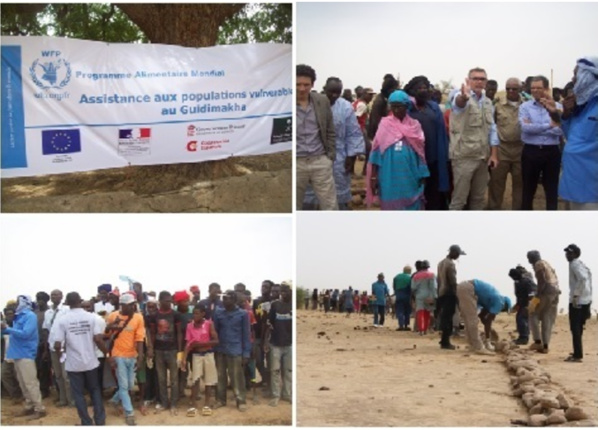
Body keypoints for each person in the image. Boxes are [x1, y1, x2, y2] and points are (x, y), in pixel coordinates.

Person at [304, 77, 365, 210]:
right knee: (312, 194)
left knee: (338, 194)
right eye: (331, 92)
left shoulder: (345, 107)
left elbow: (353, 133)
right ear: (324, 89)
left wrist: (352, 156)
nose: (334, 95)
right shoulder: (312, 104)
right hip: (315, 155)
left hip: (339, 158)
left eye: (338, 92)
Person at [366, 90, 429, 210]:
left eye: (399, 107)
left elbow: (420, 153)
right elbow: (376, 151)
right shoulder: (384, 124)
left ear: (407, 106)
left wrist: (422, 174)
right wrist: (373, 177)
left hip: (410, 173)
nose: (395, 110)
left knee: (411, 204)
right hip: (388, 173)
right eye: (393, 107)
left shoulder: (414, 126)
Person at [448, 67, 499, 210]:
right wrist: (464, 97)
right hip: (464, 157)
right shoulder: (460, 95)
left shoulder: (488, 102)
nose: (478, 81)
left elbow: (492, 129)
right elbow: (459, 104)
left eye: (482, 79)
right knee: (459, 200)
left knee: (478, 199)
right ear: (468, 80)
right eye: (475, 78)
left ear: (486, 82)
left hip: (483, 158)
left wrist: (494, 154)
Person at [54, 292, 107, 426]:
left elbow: (57, 344)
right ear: (80, 301)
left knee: (78, 394)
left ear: (67, 302)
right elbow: (98, 339)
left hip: (73, 364)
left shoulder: (63, 320)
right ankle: (100, 420)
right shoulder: (91, 318)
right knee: (95, 390)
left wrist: (61, 355)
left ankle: (86, 421)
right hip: (90, 361)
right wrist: (107, 353)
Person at [404, 76, 451, 210]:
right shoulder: (407, 109)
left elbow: (441, 133)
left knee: (432, 191)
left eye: (425, 88)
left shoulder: (434, 107)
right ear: (412, 91)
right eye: (419, 88)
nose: (423, 91)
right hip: (413, 160)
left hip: (433, 157)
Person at [296, 64, 338, 211]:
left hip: (320, 161)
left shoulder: (321, 101)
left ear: (312, 84)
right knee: (295, 206)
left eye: (306, 85)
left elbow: (330, 130)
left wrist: (330, 156)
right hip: (297, 163)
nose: (302, 88)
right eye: (298, 84)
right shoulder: (283, 103)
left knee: (330, 206)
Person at [519, 75, 563, 210]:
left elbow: (561, 131)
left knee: (551, 190)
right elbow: (525, 129)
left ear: (546, 88)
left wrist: (536, 127)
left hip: (552, 152)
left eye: (539, 87)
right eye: (533, 88)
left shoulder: (558, 107)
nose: (535, 90)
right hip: (530, 152)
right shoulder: (525, 107)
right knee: (528, 190)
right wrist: (549, 125)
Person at [559, 56, 598, 209]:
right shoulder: (582, 106)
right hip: (574, 183)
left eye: (576, 74)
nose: (573, 79)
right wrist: (567, 115)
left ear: (588, 77)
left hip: (592, 188)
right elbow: (573, 138)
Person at [1, 296, 47, 419]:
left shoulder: (30, 316)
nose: (15, 304)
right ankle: (29, 406)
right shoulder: (18, 317)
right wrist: (3, 329)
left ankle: (39, 408)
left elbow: (26, 334)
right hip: (16, 353)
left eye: (17, 302)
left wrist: (8, 329)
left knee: (30, 383)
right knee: (22, 383)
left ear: (24, 303)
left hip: (26, 353)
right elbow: (12, 333)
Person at [105, 291, 146, 424]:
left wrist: (139, 357)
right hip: (118, 355)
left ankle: (115, 400)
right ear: (121, 305)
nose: (128, 307)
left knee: (129, 385)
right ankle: (129, 413)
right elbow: (106, 334)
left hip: (132, 355)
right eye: (125, 305)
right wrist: (112, 325)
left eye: (131, 305)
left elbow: (140, 338)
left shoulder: (138, 318)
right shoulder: (113, 316)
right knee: (123, 385)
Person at [488, 78, 524, 210]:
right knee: (496, 184)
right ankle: (493, 210)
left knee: (519, 185)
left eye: (514, 89)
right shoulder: (497, 105)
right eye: (508, 88)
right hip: (501, 150)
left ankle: (517, 213)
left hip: (520, 151)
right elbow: (492, 128)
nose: (510, 91)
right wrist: (493, 153)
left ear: (520, 90)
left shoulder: (526, 105)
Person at [213, 290, 251, 412]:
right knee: (220, 376)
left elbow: (246, 334)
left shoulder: (243, 314)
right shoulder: (218, 313)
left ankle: (240, 401)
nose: (225, 301)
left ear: (234, 300)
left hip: (236, 350)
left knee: (237, 377)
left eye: (228, 299)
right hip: (221, 349)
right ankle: (220, 400)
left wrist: (246, 353)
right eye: (224, 298)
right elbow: (215, 332)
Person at [146, 291, 183, 414]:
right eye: (167, 301)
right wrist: (151, 349)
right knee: (161, 379)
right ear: (160, 301)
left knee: (174, 379)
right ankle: (163, 403)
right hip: (159, 350)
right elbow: (151, 333)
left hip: (172, 350)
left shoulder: (176, 315)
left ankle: (173, 404)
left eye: (170, 301)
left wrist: (180, 351)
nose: (170, 303)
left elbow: (179, 333)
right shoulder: (154, 316)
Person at [455, 280, 511, 355]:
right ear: (505, 306)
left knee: (468, 319)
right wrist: (488, 340)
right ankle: (479, 347)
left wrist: (488, 328)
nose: (501, 311)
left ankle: (473, 345)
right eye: (504, 310)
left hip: (463, 287)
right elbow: (488, 320)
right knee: (472, 320)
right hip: (469, 289)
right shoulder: (500, 302)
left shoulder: (490, 299)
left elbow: (482, 317)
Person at [183, 303, 219, 415]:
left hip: (208, 354)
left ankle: (207, 404)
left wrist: (199, 344)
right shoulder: (190, 326)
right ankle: (193, 404)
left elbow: (216, 341)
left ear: (203, 314)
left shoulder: (209, 324)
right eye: (193, 313)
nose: (194, 315)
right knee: (195, 380)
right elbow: (188, 344)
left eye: (197, 313)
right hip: (196, 356)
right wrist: (184, 358)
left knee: (208, 381)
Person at [264, 283, 292, 407]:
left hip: (289, 344)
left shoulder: (293, 306)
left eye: (287, 291)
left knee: (288, 371)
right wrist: (266, 341)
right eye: (283, 291)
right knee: (275, 371)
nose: (284, 294)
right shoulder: (275, 305)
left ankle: (287, 394)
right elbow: (269, 324)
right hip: (275, 343)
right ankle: (275, 395)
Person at [43, 289, 73, 407]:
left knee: (67, 376)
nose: (54, 297)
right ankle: (62, 399)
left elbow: (69, 329)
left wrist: (65, 345)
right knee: (58, 375)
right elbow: (46, 330)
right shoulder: (48, 312)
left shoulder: (66, 310)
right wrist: (46, 348)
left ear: (61, 296)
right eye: (52, 295)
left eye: (56, 295)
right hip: (52, 347)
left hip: (64, 347)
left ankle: (71, 400)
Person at [527, 250, 560, 353]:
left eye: (529, 258)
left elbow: (542, 281)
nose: (528, 260)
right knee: (547, 317)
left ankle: (537, 341)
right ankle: (545, 345)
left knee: (532, 313)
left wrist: (537, 296)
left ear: (532, 258)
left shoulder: (538, 264)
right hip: (555, 292)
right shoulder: (546, 263)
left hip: (546, 292)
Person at [564, 244, 593, 362]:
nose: (567, 255)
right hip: (585, 300)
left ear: (575, 254)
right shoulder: (580, 264)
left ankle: (577, 355)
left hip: (578, 301)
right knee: (578, 327)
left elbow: (583, 279)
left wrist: (576, 294)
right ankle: (577, 351)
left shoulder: (575, 264)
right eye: (567, 253)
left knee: (575, 327)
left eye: (570, 253)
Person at [437, 245, 465, 350]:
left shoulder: (441, 263)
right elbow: (453, 282)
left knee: (444, 317)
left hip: (441, 292)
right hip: (449, 293)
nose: (458, 256)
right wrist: (457, 294)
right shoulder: (450, 264)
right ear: (453, 252)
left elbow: (439, 280)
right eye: (457, 254)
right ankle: (445, 342)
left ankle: (444, 340)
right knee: (448, 318)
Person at [253, 280, 273, 395]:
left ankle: (270, 384)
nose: (263, 288)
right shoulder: (257, 301)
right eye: (262, 286)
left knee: (270, 361)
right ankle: (265, 378)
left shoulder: (273, 302)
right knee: (258, 360)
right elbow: (255, 318)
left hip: (269, 336)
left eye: (266, 287)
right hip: (258, 334)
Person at [508, 267, 537, 345]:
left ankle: (524, 338)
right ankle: (522, 337)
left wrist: (529, 306)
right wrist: (517, 305)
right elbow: (519, 296)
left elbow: (532, 295)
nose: (513, 279)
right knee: (519, 319)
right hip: (523, 303)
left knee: (522, 319)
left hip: (531, 302)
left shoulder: (527, 282)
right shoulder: (517, 283)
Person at [173, 290, 193, 400]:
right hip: (179, 347)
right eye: (184, 301)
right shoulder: (175, 315)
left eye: (187, 301)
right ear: (178, 303)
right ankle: (179, 391)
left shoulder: (192, 314)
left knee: (191, 369)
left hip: (192, 346)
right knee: (180, 369)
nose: (187, 303)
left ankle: (193, 391)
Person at [411, 260, 437, 335]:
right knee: (427, 313)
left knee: (420, 312)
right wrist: (434, 296)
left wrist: (415, 295)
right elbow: (434, 287)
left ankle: (421, 330)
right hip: (429, 296)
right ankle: (425, 330)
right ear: (428, 267)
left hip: (419, 295)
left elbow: (413, 287)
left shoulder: (415, 276)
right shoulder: (432, 275)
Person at [34, 291, 51, 399]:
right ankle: (39, 389)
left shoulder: (49, 312)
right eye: (38, 299)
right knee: (37, 367)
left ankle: (45, 389)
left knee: (45, 367)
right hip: (35, 344)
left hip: (48, 343)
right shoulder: (34, 313)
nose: (39, 301)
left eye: (42, 299)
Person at [393, 266, 412, 331]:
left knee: (400, 311)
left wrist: (396, 292)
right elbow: (411, 287)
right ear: (409, 271)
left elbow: (394, 286)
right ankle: (406, 326)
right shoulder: (410, 277)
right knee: (407, 311)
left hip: (399, 295)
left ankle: (401, 325)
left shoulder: (397, 276)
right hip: (407, 296)